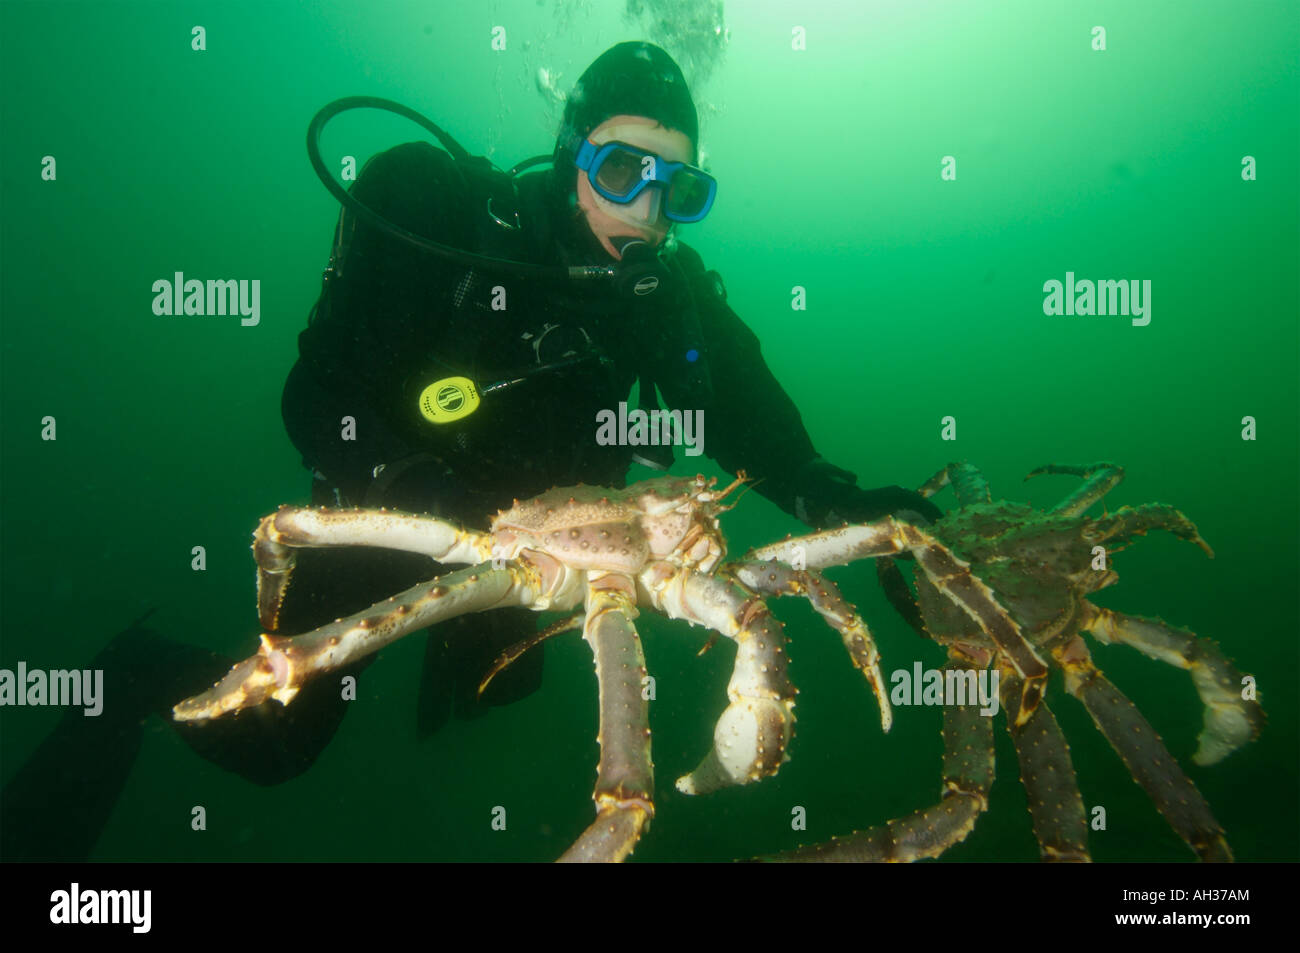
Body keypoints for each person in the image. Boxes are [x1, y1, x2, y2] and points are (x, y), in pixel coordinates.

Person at [0, 41, 940, 861]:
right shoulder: (450, 228)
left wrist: (839, 502)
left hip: (566, 553)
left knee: (501, 687)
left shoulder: (666, 301)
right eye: (622, 173)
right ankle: (133, 673)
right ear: (571, 155)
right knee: (275, 747)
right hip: (405, 520)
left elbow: (754, 430)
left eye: (679, 189)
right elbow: (313, 395)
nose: (649, 213)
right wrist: (414, 482)